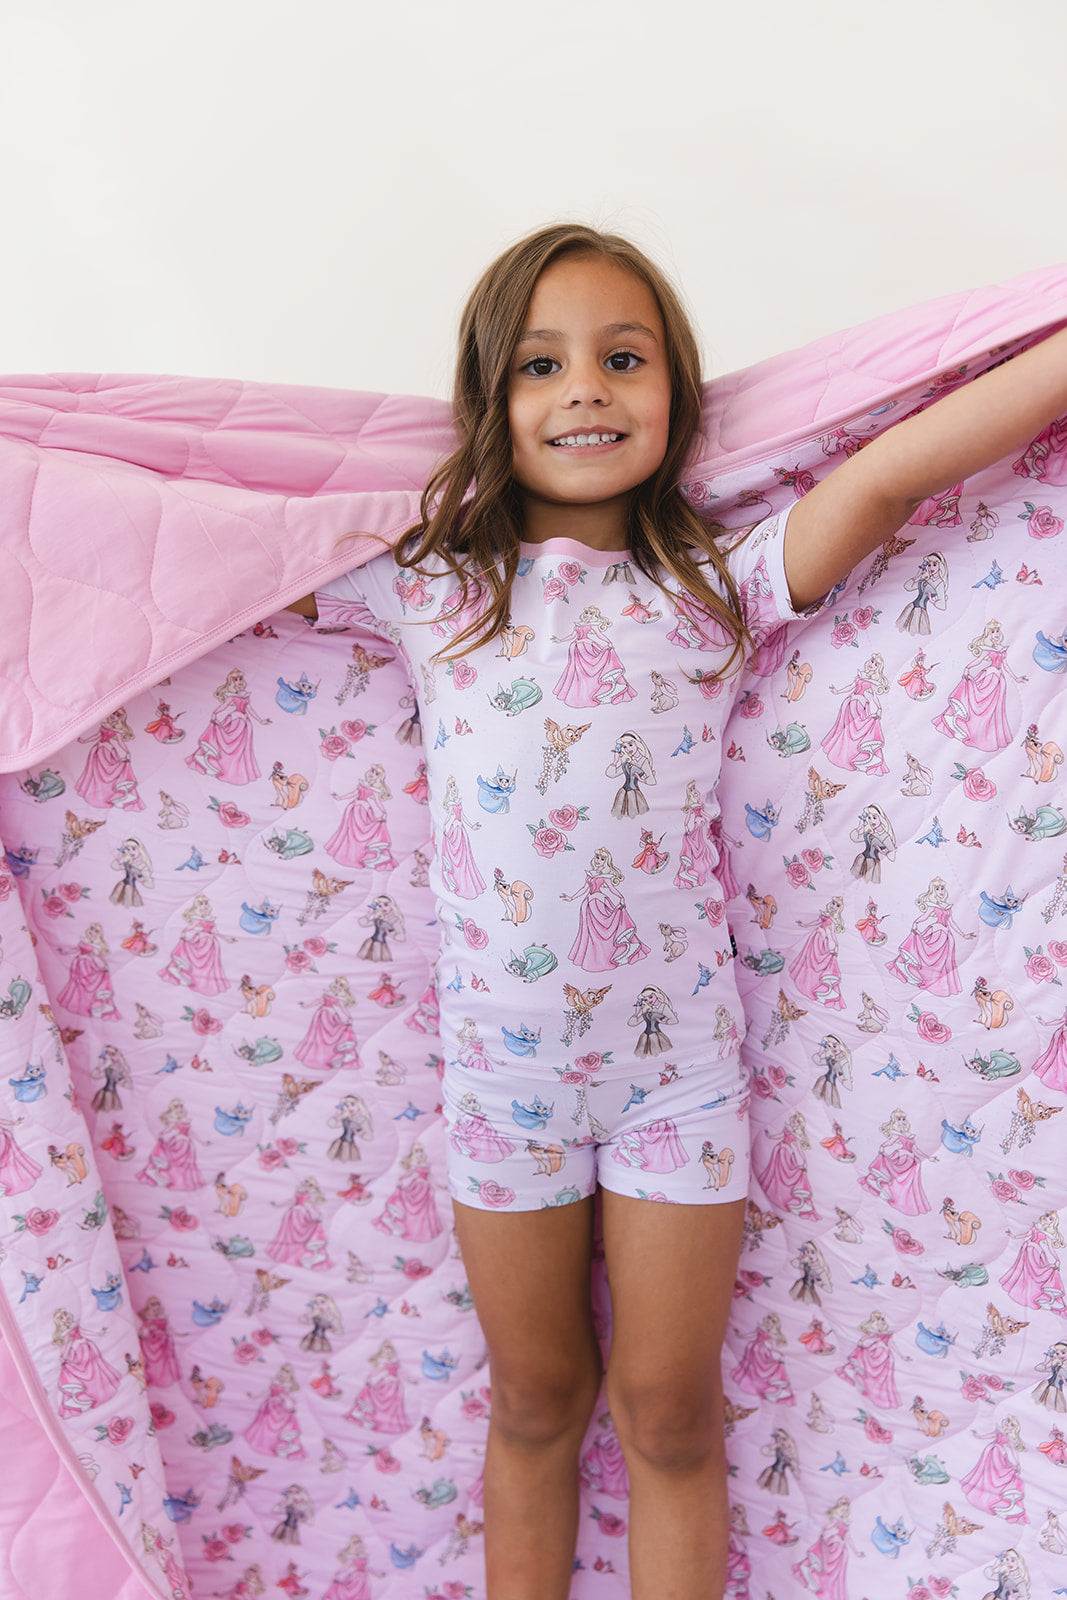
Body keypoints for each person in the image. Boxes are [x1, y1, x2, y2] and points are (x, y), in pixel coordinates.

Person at [291, 223, 1067, 1600]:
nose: (585, 389)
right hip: (506, 1084)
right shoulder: (428, 592)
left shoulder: (713, 586)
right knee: (537, 1403)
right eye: (540, 366)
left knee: (668, 1414)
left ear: (678, 393)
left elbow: (891, 475)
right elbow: (205, 551)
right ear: (488, 402)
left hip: (677, 1087)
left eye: (623, 358)